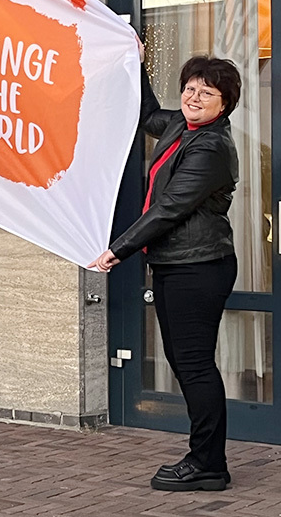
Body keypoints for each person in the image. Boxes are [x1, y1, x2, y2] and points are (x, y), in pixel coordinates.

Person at [90, 54, 241, 492]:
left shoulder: (211, 147)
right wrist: (135, 62)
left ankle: (208, 463)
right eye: (190, 88)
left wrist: (119, 250)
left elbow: (170, 207)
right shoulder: (181, 125)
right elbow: (148, 113)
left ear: (224, 105)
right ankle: (206, 457)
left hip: (200, 267)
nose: (194, 98)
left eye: (206, 93)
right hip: (178, 265)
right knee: (186, 363)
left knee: (194, 366)